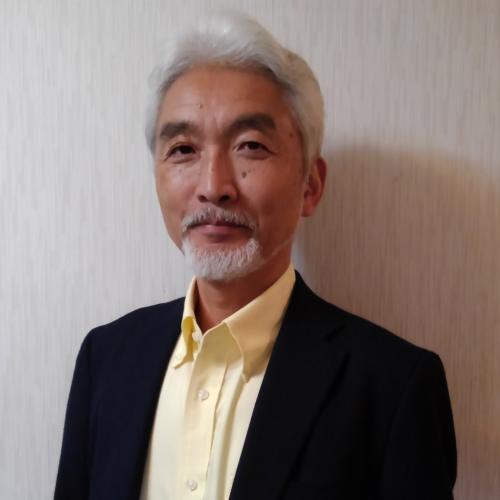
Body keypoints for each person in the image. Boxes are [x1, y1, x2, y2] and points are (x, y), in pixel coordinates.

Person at [54, 10, 457, 500]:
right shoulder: (106, 360)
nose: (213, 186)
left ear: (310, 185)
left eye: (250, 145)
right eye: (182, 149)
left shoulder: (393, 386)